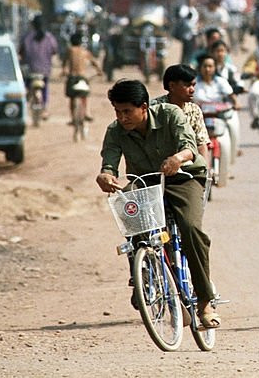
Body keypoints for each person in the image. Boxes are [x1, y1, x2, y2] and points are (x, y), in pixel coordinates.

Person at [95, 79, 220, 328]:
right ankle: (144, 274)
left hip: (184, 177)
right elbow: (109, 162)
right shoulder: (115, 130)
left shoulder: (170, 114)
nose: (122, 117)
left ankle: (205, 302)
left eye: (127, 111)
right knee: (127, 206)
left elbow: (189, 147)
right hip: (146, 183)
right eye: (117, 111)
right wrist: (105, 175)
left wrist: (177, 158)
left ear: (144, 107)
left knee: (190, 229)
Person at [152, 64, 211, 162]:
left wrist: (205, 172)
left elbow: (201, 143)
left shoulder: (194, 110)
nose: (192, 90)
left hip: (187, 167)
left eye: (193, 85)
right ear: (172, 86)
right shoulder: (154, 108)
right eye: (187, 85)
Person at [19, 15, 60, 119]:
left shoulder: (27, 37)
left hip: (29, 70)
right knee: (45, 88)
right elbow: (54, 51)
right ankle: (45, 107)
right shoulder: (49, 37)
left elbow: (20, 52)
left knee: (25, 86)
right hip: (45, 70)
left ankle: (26, 102)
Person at [63, 31, 102, 123]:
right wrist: (99, 71)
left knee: (72, 98)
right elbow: (94, 62)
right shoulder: (85, 51)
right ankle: (87, 113)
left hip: (72, 77)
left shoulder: (70, 50)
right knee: (85, 96)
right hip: (82, 77)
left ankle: (73, 118)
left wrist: (64, 70)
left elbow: (64, 63)